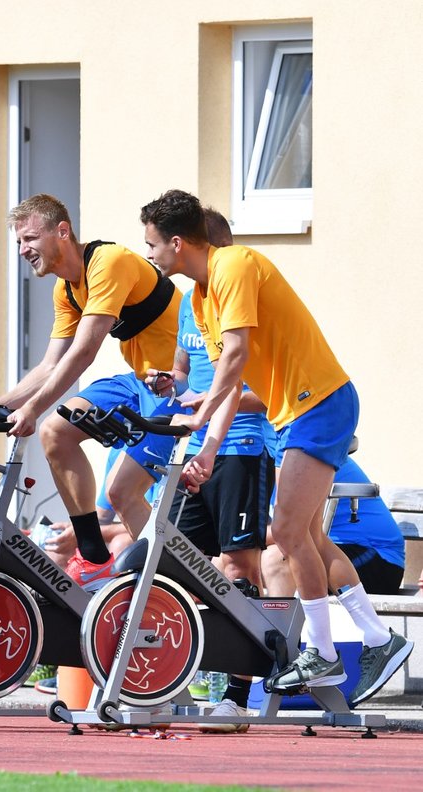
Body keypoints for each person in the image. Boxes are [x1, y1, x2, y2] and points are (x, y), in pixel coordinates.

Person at [140, 188, 412, 708]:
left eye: (152, 245)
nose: (149, 255)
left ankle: (326, 651)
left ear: (177, 242)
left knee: (286, 531)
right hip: (291, 413)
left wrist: (199, 413)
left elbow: (236, 354)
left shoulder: (234, 264)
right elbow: (232, 378)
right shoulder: (199, 299)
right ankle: (378, 640)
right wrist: (207, 448)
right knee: (305, 535)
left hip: (322, 402)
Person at [0, 194, 182, 591]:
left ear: (63, 231)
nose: (23, 250)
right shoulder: (66, 290)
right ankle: (94, 554)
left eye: (29, 238)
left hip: (177, 387)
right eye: (18, 243)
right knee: (55, 431)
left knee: (122, 493)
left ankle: (170, 582)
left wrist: (32, 408)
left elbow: (85, 350)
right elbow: (48, 365)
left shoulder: (107, 262)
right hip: (139, 381)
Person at [150, 208, 276, 732]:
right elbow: (185, 371)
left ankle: (239, 695)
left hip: (242, 447)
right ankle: (173, 673)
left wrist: (209, 403)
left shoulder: (239, 294)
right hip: (195, 445)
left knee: (238, 565)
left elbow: (263, 389)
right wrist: (173, 384)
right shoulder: (192, 304)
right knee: (172, 558)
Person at [263, 458, 406, 597]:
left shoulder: (304, 457)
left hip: (378, 558)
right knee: (251, 562)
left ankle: (280, 621)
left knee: (275, 559)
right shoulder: (262, 462)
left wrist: (245, 541)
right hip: (329, 546)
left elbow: (291, 529)